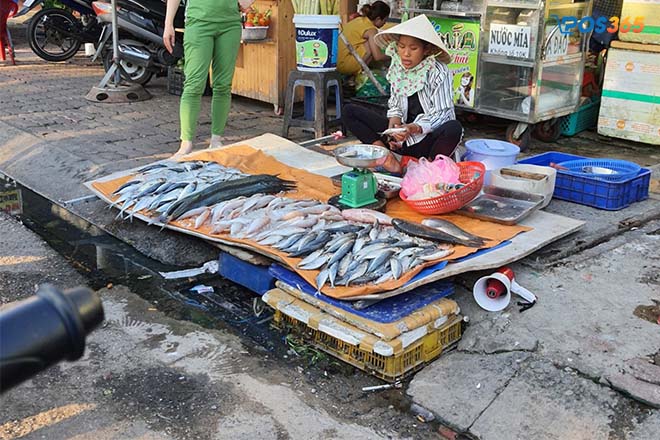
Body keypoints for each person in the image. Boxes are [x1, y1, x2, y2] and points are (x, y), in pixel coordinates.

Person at [342, 14, 463, 174]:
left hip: (426, 141)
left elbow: (442, 114)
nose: (406, 54)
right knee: (349, 111)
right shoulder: (398, 66)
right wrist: (395, 121)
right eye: (401, 46)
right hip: (400, 140)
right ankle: (386, 158)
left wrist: (413, 128)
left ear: (426, 50)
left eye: (413, 48)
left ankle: (429, 169)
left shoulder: (439, 71)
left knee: (453, 128)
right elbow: (395, 101)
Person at [163, 0, 245, 157]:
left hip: (230, 24)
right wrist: (168, 24)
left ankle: (216, 139)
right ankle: (186, 143)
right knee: (193, 85)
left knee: (223, 85)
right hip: (198, 22)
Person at [337, 1, 391, 76]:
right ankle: (357, 75)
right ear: (378, 19)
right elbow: (378, 56)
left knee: (370, 44)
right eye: (384, 20)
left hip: (336, 62)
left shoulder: (359, 20)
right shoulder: (371, 30)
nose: (385, 23)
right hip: (345, 65)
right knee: (371, 45)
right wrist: (392, 56)